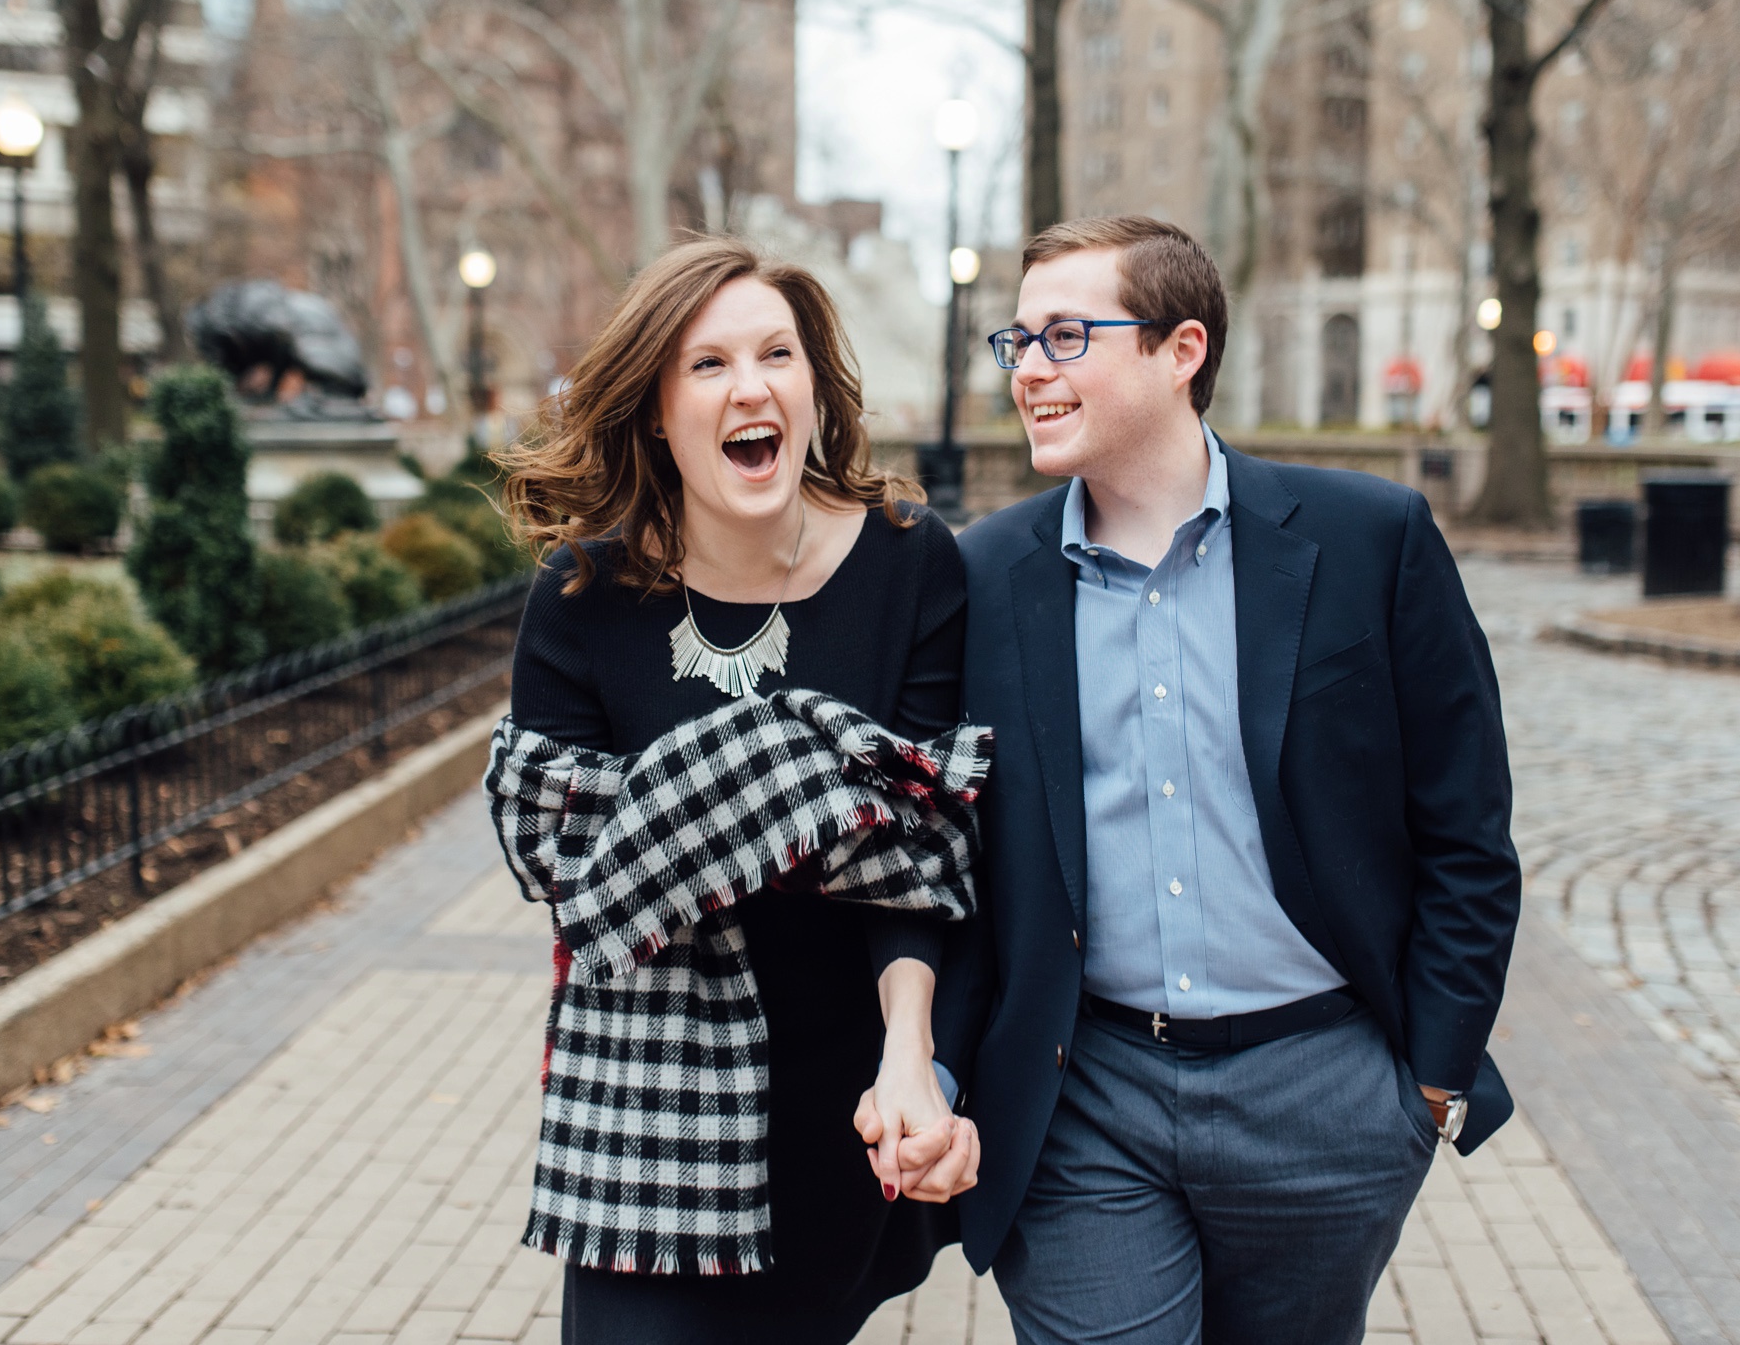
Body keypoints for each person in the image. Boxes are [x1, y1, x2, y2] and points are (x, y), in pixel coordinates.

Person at [952, 215, 1521, 1343]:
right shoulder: (980, 573)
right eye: (1014, 339)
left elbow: (1464, 825)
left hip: (1326, 1091)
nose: (1026, 367)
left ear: (1180, 350)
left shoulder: (1370, 537)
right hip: (1084, 1091)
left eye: (1064, 335)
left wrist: (1428, 1080)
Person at [488, 237, 987, 1345]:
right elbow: (578, 875)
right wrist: (816, 763)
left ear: (813, 388)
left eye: (777, 353)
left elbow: (926, 851)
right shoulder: (583, 592)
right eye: (707, 364)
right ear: (657, 411)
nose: (750, 385)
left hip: (844, 1095)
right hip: (651, 1106)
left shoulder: (910, 562)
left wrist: (912, 1052)